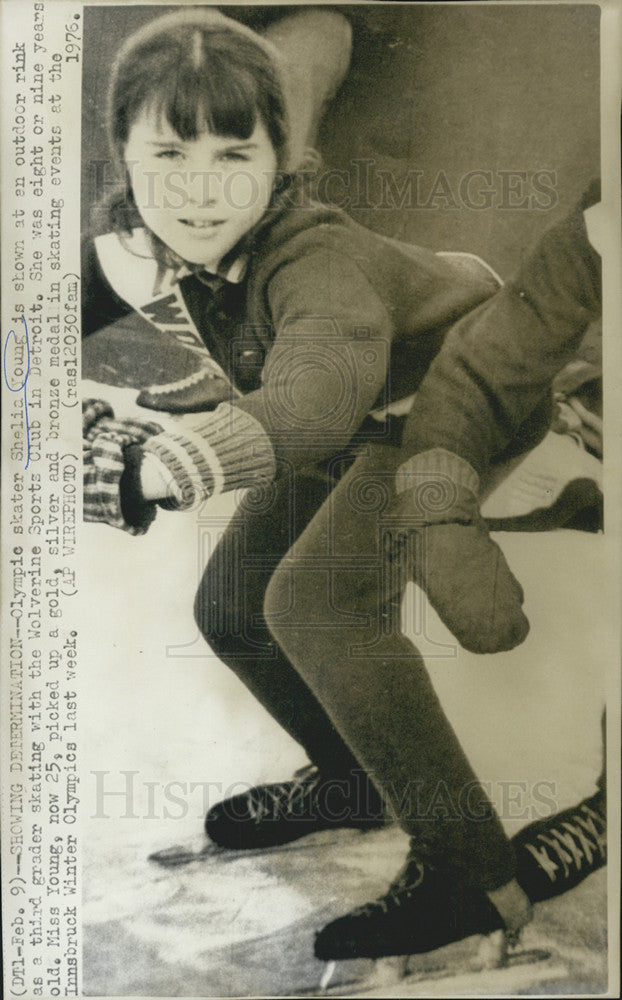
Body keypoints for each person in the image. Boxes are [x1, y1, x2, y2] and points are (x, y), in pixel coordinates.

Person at [81, 7, 603, 964]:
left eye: (234, 154)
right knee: (235, 606)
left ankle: (469, 867)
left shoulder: (313, 262)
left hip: (449, 407)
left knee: (320, 606)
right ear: (124, 153)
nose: (199, 193)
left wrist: (160, 467)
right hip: (345, 424)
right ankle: (352, 779)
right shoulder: (133, 244)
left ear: (283, 157)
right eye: (168, 157)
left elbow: (319, 395)